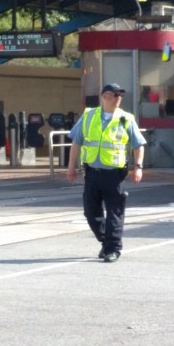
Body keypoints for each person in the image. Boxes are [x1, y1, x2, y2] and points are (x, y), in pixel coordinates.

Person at [67, 83, 147, 263]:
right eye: (114, 95)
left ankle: (113, 249)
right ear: (104, 97)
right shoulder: (88, 116)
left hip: (114, 174)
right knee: (90, 212)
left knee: (114, 212)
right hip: (92, 173)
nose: (118, 98)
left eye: (120, 95)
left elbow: (138, 145)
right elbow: (76, 142)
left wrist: (138, 167)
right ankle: (106, 241)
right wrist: (71, 167)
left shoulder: (126, 119)